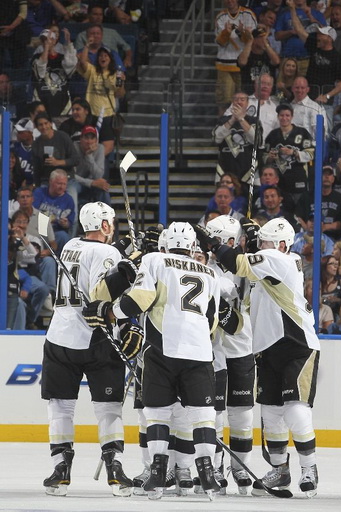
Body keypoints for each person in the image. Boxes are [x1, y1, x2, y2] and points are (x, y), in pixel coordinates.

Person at [83, 221, 222, 500]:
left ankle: (158, 472)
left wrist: (108, 313)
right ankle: (207, 475)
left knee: (158, 412)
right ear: (193, 246)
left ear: (165, 244)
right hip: (199, 352)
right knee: (202, 415)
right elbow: (212, 320)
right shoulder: (209, 273)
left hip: (162, 349)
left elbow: (139, 300)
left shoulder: (155, 259)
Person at [195, 217, 321, 497]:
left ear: (283, 245)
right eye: (260, 242)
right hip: (268, 348)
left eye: (265, 242)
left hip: (297, 343)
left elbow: (239, 263)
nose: (261, 246)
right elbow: (246, 280)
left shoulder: (281, 259)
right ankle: (280, 470)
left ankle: (309, 468)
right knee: (272, 413)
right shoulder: (268, 264)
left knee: (295, 410)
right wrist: (247, 246)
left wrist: (216, 245)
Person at [41, 201, 138, 497]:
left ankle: (61, 470)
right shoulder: (107, 252)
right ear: (106, 225)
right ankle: (115, 467)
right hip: (97, 338)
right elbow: (102, 295)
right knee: (108, 407)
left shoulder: (70, 244)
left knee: (60, 406)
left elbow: (89, 267)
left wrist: (120, 256)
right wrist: (128, 268)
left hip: (58, 336)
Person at [205, 215, 255, 495]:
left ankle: (241, 467)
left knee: (242, 415)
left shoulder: (245, 265)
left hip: (242, 348)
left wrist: (254, 248)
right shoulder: (206, 268)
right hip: (214, 351)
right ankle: (216, 464)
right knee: (215, 413)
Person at [287, 0, 341, 131]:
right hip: (308, 99)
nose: (318, 36)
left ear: (329, 39)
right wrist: (292, 9)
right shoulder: (315, 46)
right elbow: (299, 30)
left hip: (325, 103)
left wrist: (328, 96)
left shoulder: (337, 58)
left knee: (325, 132)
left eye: (321, 34)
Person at [264, 103, 314, 203]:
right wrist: (269, 157)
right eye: (282, 115)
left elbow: (311, 154)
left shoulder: (302, 133)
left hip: (298, 178)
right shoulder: (272, 135)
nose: (284, 118)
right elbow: (264, 157)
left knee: (299, 209)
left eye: (287, 115)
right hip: (278, 181)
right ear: (278, 117)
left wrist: (294, 152)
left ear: (292, 117)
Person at [214, 0, 257, 116]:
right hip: (224, 65)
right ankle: (222, 130)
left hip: (243, 66)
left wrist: (240, 32)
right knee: (224, 102)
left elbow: (252, 40)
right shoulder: (221, 17)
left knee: (243, 102)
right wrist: (226, 33)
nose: (229, 1)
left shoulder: (248, 15)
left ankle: (242, 128)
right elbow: (220, 42)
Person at [11, 209, 50, 329]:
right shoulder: (7, 237)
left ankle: (30, 319)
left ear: (28, 223)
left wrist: (22, 238)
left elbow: (32, 255)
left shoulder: (33, 239)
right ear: (12, 224)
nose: (21, 225)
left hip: (28, 273)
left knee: (43, 288)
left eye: (24, 222)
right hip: (10, 273)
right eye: (18, 221)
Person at [212, 91, 259, 184]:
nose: (239, 102)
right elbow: (216, 138)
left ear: (247, 103)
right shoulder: (223, 120)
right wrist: (233, 119)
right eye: (236, 99)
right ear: (232, 103)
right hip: (226, 167)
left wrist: (241, 119)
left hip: (248, 169)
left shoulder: (254, 120)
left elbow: (256, 140)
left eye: (242, 99)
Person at [31, 26, 77, 117]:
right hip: (41, 100)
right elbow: (40, 71)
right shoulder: (36, 57)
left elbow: (71, 66)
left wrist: (68, 43)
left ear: (55, 40)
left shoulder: (62, 57)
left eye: (49, 39)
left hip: (62, 101)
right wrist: (47, 48)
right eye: (43, 40)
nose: (46, 42)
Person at [295, 165, 341, 239]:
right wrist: (307, 230)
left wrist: (326, 227)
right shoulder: (306, 196)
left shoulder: (340, 198)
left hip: (332, 237)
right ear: (318, 177)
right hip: (309, 236)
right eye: (324, 174)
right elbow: (298, 216)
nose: (326, 177)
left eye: (329, 174)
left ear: (333, 179)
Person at [274, 0, 326, 76]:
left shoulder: (316, 14)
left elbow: (325, 34)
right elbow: (277, 36)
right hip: (288, 59)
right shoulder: (285, 14)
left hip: (309, 59)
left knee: (304, 87)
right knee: (283, 86)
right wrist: (291, 32)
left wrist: (312, 19)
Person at [33, 169, 76, 255]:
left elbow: (70, 223)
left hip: (55, 232)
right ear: (50, 182)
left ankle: (63, 265)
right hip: (37, 230)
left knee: (63, 236)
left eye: (64, 184)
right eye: (59, 183)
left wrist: (65, 223)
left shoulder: (68, 200)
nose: (62, 187)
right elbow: (33, 213)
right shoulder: (39, 193)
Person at [31, 112, 80, 186]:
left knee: (71, 196)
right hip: (47, 180)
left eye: (46, 123)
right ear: (37, 127)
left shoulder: (63, 137)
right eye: (40, 125)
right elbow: (37, 170)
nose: (44, 127)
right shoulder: (36, 144)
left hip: (67, 179)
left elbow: (76, 160)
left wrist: (57, 162)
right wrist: (37, 186)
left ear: (51, 123)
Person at [74, 125, 111, 207]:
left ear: (96, 141)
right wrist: (91, 183)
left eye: (92, 138)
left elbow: (98, 175)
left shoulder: (100, 148)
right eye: (86, 138)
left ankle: (108, 217)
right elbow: (71, 175)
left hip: (94, 182)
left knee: (103, 187)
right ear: (81, 139)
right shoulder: (74, 148)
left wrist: (89, 156)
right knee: (72, 187)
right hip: (77, 182)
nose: (89, 141)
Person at [237, 24, 280, 94]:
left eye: (265, 37)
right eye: (261, 37)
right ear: (254, 39)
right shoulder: (247, 54)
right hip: (250, 95)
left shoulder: (269, 54)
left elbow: (276, 62)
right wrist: (250, 41)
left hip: (268, 96)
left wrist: (266, 44)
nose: (264, 39)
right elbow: (242, 62)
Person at [291, 76, 328, 140]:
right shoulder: (289, 107)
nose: (299, 90)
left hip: (308, 147)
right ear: (292, 89)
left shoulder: (316, 108)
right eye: (297, 87)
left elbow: (320, 135)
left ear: (308, 89)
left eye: (302, 88)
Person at [0, 0, 31, 70]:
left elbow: (23, 13)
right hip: (1, 31)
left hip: (18, 34)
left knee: (19, 63)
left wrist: (11, 27)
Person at [247, 73, 279, 140]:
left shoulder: (276, 108)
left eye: (268, 84)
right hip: (245, 146)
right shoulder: (243, 102)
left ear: (271, 88)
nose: (265, 86)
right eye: (263, 83)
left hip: (266, 147)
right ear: (255, 85)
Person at [321, 254, 341, 320]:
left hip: (339, 317)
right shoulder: (319, 284)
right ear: (324, 266)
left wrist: (338, 300)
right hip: (322, 317)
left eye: (336, 264)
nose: (335, 267)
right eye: (332, 264)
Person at [11, 118, 35, 185]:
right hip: (16, 184)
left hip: (34, 185)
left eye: (21, 132)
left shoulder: (39, 148)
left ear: (30, 132)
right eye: (18, 132)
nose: (18, 135)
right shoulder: (13, 147)